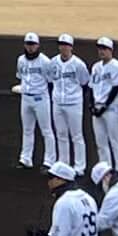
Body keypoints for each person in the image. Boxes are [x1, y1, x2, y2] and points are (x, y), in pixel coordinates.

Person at [45, 35, 88, 169]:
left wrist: (76, 97)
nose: (63, 47)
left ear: (71, 47)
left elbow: (85, 83)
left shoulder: (78, 64)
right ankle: (64, 163)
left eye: (66, 44)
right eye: (61, 44)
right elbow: (50, 81)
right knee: (61, 134)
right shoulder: (53, 63)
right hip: (58, 103)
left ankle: (79, 166)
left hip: (74, 104)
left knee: (76, 135)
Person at [87, 37, 118, 174]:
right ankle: (105, 170)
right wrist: (91, 105)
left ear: (111, 50)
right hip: (97, 109)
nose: (101, 51)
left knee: (115, 142)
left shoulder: (117, 66)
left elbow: (116, 89)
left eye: (104, 49)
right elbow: (91, 87)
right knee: (101, 143)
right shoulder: (96, 67)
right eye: (100, 48)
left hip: (112, 110)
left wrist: (105, 106)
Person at [12, 34, 51, 169]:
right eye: (28, 44)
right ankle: (25, 159)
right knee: (27, 130)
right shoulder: (21, 60)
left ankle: (49, 161)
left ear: (38, 45)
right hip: (26, 98)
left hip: (40, 98)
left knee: (46, 130)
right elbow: (21, 76)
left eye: (33, 44)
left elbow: (50, 80)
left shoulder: (45, 61)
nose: (30, 47)